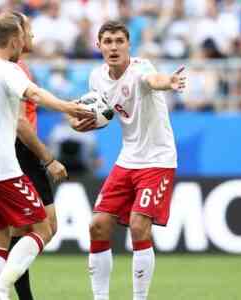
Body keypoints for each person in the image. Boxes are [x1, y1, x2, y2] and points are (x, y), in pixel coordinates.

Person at [0, 12, 94, 300]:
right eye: (23, 36)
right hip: (2, 168)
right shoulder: (8, 70)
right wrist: (68, 107)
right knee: (44, 228)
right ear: (13, 41)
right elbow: (35, 96)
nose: (27, 40)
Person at [70, 21, 186, 300]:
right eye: (107, 41)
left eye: (119, 41)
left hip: (157, 159)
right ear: (98, 46)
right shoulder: (96, 78)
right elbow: (103, 114)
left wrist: (167, 82)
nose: (113, 47)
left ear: (128, 45)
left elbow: (152, 81)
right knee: (97, 225)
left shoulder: (141, 68)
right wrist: (83, 123)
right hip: (128, 159)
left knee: (137, 225)